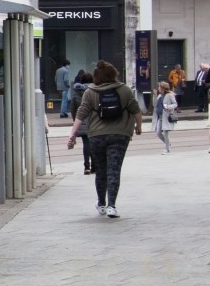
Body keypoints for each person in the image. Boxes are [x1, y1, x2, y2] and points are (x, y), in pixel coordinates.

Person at [68, 59, 141, 217]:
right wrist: (138, 127)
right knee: (114, 171)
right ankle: (112, 206)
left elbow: (81, 113)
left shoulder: (90, 92)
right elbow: (136, 111)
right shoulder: (124, 90)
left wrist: (72, 135)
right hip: (120, 135)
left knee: (101, 171)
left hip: (96, 136)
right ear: (114, 75)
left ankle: (101, 204)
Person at [70, 70, 94, 172]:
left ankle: (86, 166)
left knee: (86, 144)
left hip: (81, 121)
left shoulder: (76, 92)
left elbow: (72, 108)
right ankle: (94, 166)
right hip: (93, 121)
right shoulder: (94, 91)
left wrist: (76, 120)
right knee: (93, 144)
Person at [153, 81, 178, 155]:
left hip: (166, 117)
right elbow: (154, 105)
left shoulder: (170, 95)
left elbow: (175, 104)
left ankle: (167, 149)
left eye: (159, 87)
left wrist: (169, 107)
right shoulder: (159, 96)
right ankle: (168, 143)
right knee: (158, 132)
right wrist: (154, 96)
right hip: (160, 117)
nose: (158, 88)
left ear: (163, 88)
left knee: (166, 133)